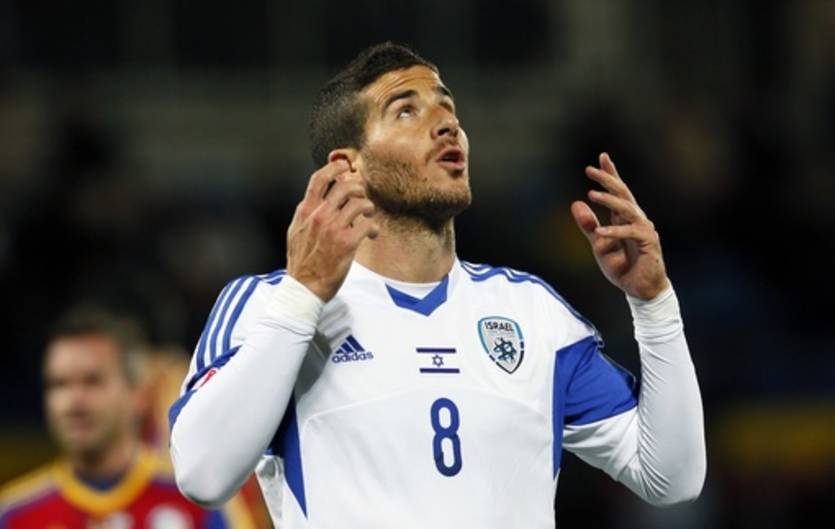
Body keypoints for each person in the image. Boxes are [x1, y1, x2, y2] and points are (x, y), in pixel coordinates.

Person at [169, 42, 706, 528]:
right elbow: (202, 476)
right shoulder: (270, 305)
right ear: (347, 166)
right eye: (406, 110)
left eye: (448, 107)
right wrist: (303, 297)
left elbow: (670, 478)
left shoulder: (532, 313)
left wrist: (654, 304)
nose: (446, 123)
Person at [0, 307, 254, 529]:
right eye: (59, 385)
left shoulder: (199, 501)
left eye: (92, 381)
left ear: (138, 394)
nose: (73, 402)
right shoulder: (16, 516)